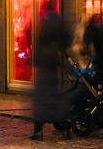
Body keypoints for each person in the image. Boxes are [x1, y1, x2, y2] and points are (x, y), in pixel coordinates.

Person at [29, 9, 72, 140]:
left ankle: (40, 132)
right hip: (52, 78)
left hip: (44, 79)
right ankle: (62, 129)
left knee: (43, 107)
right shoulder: (55, 45)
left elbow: (35, 61)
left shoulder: (43, 44)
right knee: (52, 108)